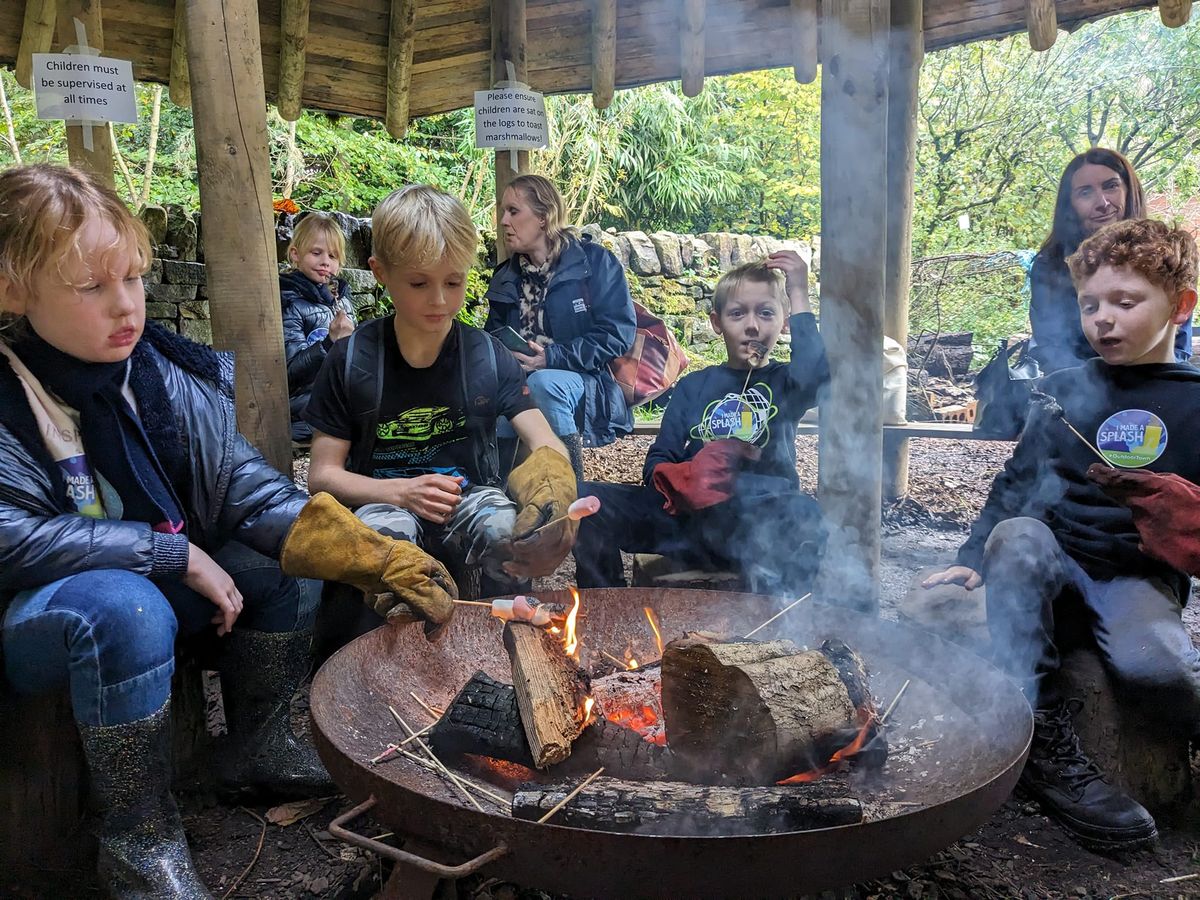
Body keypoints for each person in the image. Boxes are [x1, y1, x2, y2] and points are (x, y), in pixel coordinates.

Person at [0, 165, 456, 898]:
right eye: (92, 287)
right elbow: (11, 538)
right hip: (44, 618)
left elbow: (242, 488)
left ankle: (260, 741)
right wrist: (169, 552)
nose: (126, 306)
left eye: (133, 279)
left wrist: (364, 555)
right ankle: (139, 840)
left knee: (281, 559)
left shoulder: (157, 375)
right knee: (128, 607)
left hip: (155, 580)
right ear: (11, 288)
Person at [922, 219, 1200, 852]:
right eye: (1090, 304)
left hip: (1135, 575)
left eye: (1125, 303)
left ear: (1180, 306)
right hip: (1053, 563)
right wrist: (973, 556)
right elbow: (1016, 479)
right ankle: (1042, 735)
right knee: (1018, 534)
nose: (1103, 319)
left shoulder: (1195, 404)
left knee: (1160, 676)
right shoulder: (1065, 391)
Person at [305, 184, 579, 597]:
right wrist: (401, 491)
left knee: (509, 532)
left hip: (470, 498)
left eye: (454, 282)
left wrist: (555, 485)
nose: (439, 301)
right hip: (382, 500)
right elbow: (322, 475)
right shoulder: (350, 360)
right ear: (381, 273)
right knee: (387, 546)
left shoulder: (488, 356)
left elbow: (545, 442)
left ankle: (503, 631)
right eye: (418, 284)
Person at [573, 253, 828, 595]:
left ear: (784, 323)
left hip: (759, 530)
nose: (752, 325)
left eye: (766, 313)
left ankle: (785, 620)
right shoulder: (694, 386)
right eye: (738, 313)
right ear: (716, 322)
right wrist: (689, 476)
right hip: (688, 527)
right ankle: (604, 607)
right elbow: (657, 463)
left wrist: (798, 291)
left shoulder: (786, 382)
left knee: (807, 515)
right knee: (588, 501)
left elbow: (816, 376)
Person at [485, 174, 637, 477]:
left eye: (513, 211)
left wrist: (550, 358)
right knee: (499, 402)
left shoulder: (593, 263)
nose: (503, 220)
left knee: (544, 384)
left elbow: (618, 334)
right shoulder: (506, 274)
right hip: (520, 379)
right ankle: (502, 498)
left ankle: (572, 487)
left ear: (543, 216)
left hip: (587, 381)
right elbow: (493, 337)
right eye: (502, 211)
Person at [1030, 148, 1193, 373]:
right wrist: (1093, 391)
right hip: (1080, 388)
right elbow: (1050, 346)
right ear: (1070, 205)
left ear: (1129, 190)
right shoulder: (1050, 266)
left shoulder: (1160, 255)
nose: (1103, 202)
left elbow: (1178, 343)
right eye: (1085, 192)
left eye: (1111, 186)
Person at [280, 212, 357, 444]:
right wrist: (328, 343)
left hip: (337, 395)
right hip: (303, 403)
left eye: (332, 256)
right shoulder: (290, 303)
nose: (325, 261)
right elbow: (291, 372)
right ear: (296, 255)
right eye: (316, 253)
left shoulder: (342, 300)